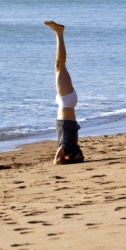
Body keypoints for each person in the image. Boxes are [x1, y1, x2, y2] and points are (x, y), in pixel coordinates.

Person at [44, 21, 84, 165]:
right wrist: (66, 160)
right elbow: (57, 161)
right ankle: (59, 33)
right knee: (59, 66)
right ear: (70, 155)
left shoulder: (72, 145)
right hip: (66, 101)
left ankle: (59, 33)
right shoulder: (67, 145)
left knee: (59, 66)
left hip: (67, 103)